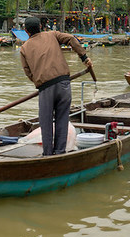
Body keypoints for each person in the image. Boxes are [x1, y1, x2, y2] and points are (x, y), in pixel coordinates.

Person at [19, 16, 91, 156]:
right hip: (63, 83)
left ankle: (48, 154)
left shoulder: (24, 48)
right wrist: (84, 57)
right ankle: (59, 152)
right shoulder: (52, 34)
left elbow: (27, 71)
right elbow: (70, 38)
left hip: (46, 87)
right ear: (40, 27)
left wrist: (39, 81)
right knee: (62, 119)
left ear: (26, 31)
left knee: (46, 123)